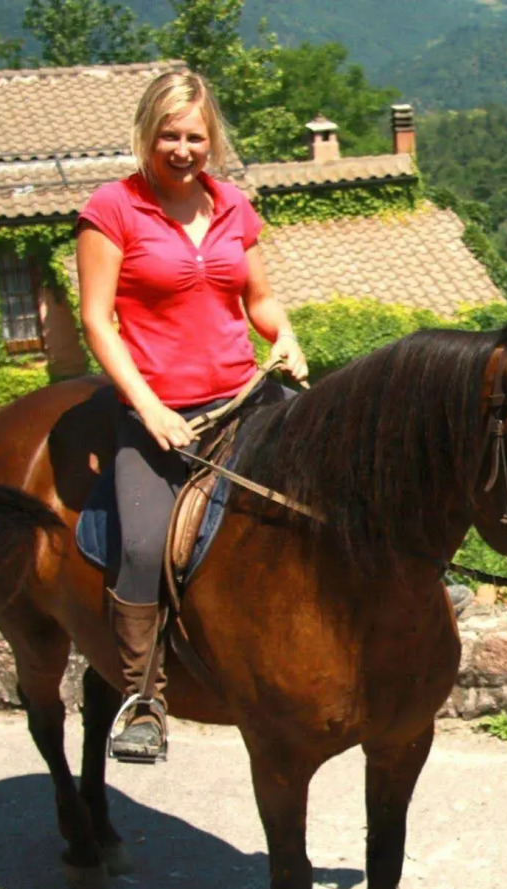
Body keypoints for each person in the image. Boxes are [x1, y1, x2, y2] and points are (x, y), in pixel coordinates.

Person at [76, 70, 308, 761]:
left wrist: (284, 335)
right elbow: (96, 319)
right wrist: (147, 407)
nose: (183, 149)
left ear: (213, 141)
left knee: (334, 469)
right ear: (148, 135)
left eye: (196, 137)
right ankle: (143, 698)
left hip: (244, 397)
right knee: (144, 544)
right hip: (159, 414)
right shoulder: (112, 209)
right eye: (170, 136)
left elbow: (259, 300)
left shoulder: (234, 205)